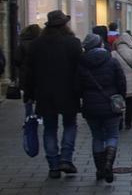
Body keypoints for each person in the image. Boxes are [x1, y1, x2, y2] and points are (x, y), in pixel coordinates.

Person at [26, 10, 82, 178]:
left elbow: (29, 72)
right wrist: (80, 91)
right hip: (68, 91)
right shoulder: (73, 43)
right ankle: (66, 158)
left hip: (45, 92)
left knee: (50, 128)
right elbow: (80, 69)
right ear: (64, 25)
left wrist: (29, 93)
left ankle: (53, 165)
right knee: (70, 125)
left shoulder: (37, 44)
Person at [76, 34, 126, 183]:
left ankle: (99, 169)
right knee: (112, 135)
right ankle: (109, 164)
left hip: (91, 105)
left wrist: (83, 98)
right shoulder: (112, 61)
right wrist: (120, 97)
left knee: (97, 137)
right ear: (101, 45)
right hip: (111, 104)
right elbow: (121, 82)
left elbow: (77, 87)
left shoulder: (82, 63)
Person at [15, 24, 41, 103]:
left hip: (25, 73)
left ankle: (29, 113)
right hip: (39, 72)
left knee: (28, 95)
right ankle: (38, 112)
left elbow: (17, 59)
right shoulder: (41, 43)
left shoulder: (22, 43)